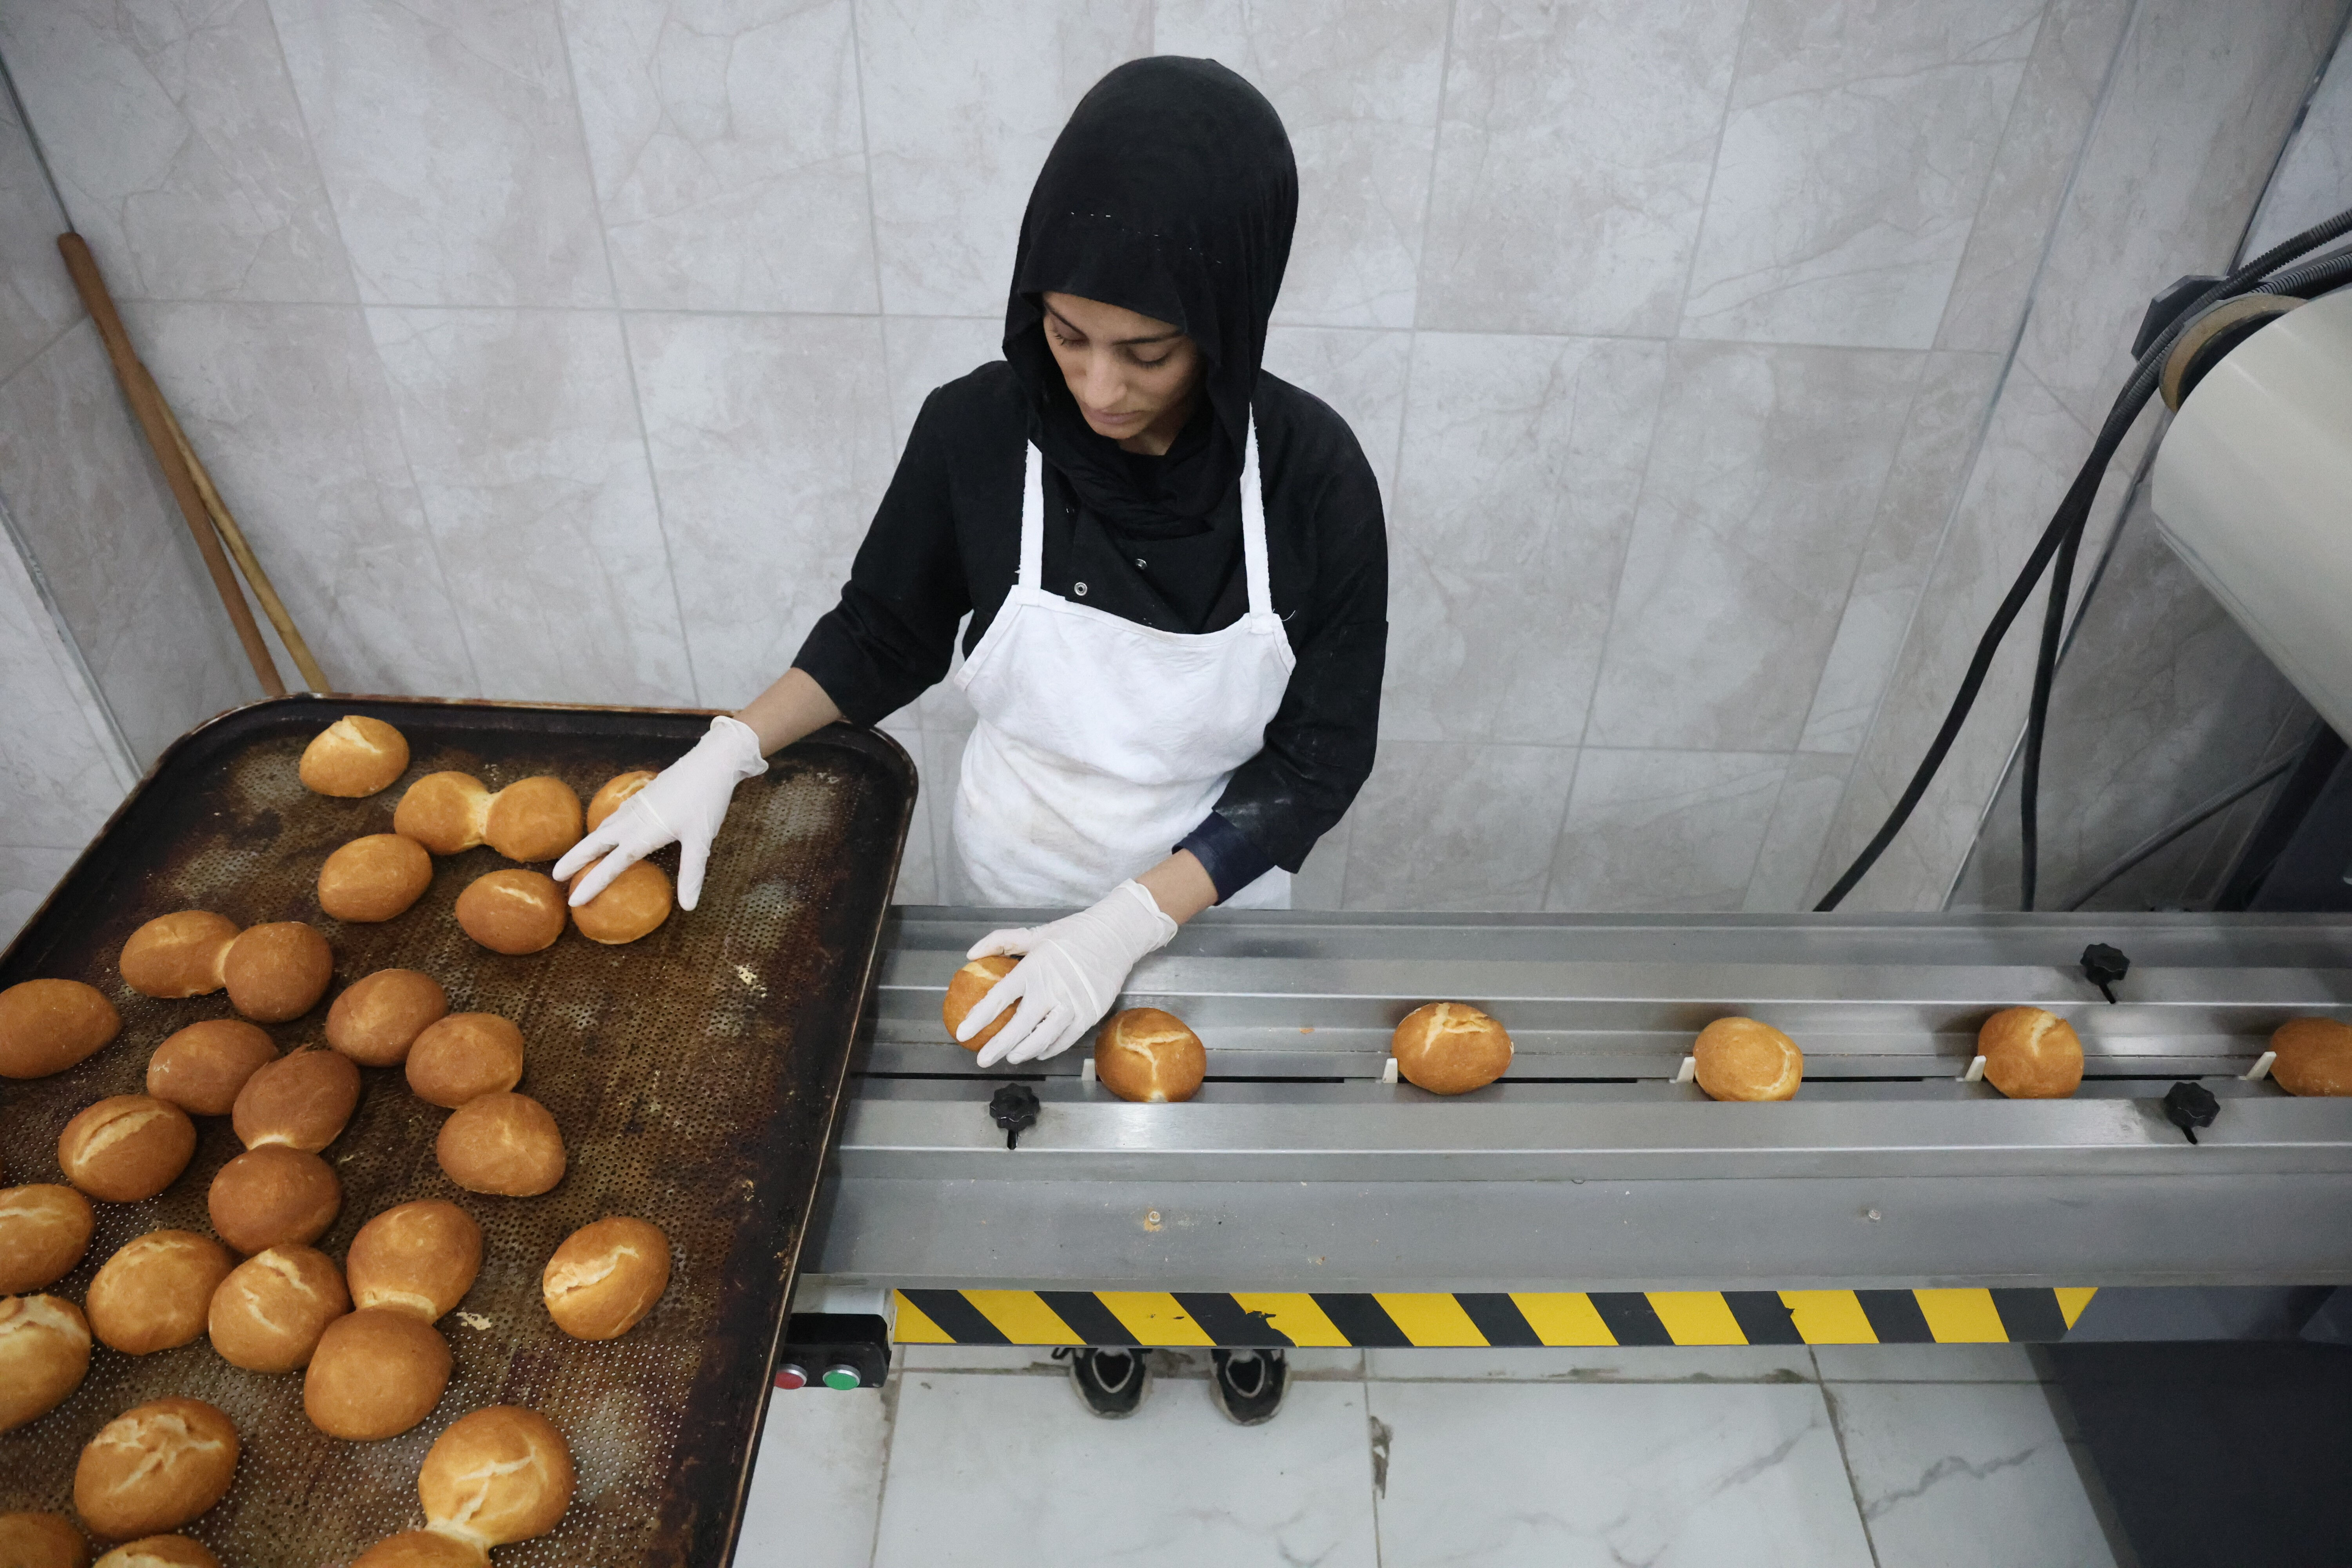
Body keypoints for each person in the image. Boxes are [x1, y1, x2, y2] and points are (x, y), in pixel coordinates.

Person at [556, 56, 1387, 1425]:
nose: (1099, 386)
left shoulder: (1310, 478)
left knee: (1207, 1125)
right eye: (1067, 335)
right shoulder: (981, 432)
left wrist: (1133, 920)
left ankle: (1234, 1303)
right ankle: (1094, 1309)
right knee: (1038, 1128)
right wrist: (730, 749)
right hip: (1019, 859)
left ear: (1228, 322)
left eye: (1148, 352)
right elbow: (883, 632)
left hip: (1216, 873)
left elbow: (1318, 760)